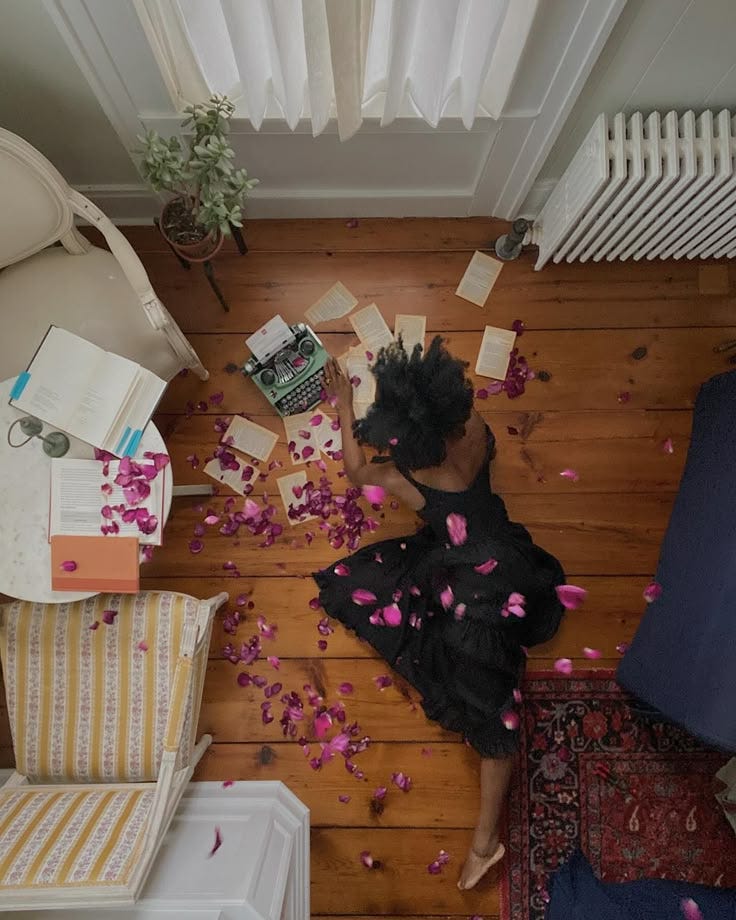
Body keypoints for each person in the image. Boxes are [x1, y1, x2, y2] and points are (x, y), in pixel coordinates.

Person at [314, 338, 566, 890]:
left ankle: (485, 843)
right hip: (509, 555)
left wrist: (343, 407)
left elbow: (356, 471)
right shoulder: (475, 426)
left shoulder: (402, 477)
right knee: (489, 680)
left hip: (474, 594)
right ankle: (484, 841)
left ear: (405, 443)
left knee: (490, 715)